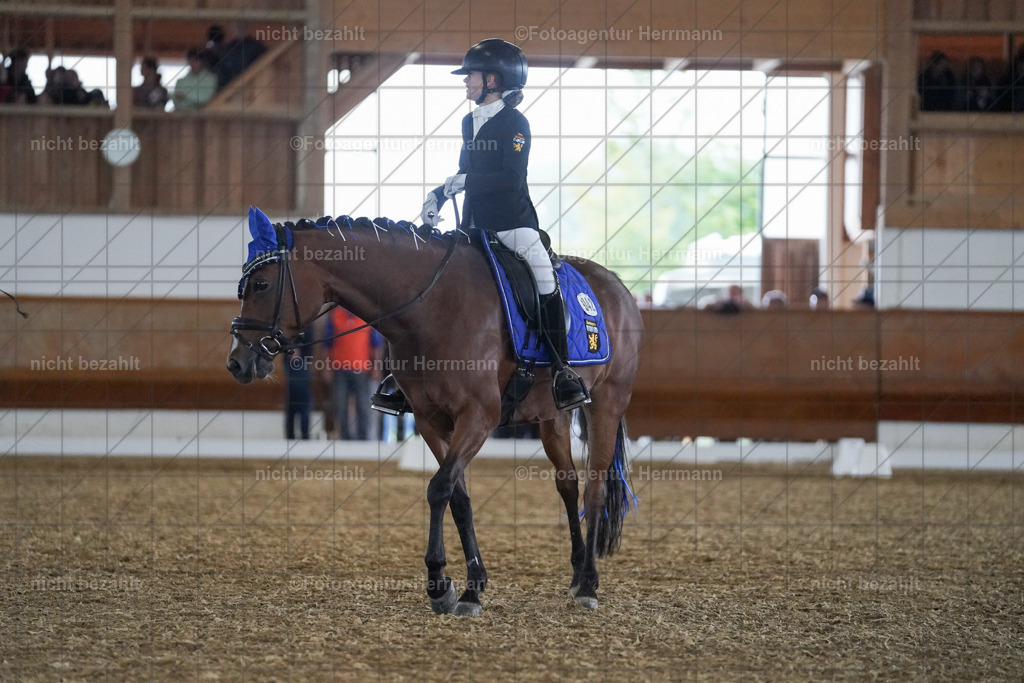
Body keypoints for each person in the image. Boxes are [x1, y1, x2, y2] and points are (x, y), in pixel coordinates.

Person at [372, 39, 590, 415]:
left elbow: (510, 177)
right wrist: (437, 196)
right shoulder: (469, 122)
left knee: (543, 277)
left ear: (493, 79)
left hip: (513, 225)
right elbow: (464, 172)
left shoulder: (516, 124)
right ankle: (404, 377)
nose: (465, 81)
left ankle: (562, 370)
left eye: (470, 75)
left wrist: (463, 181)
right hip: (472, 227)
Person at [323, 307, 378, 440]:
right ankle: (345, 438)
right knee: (340, 406)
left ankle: (363, 438)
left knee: (363, 406)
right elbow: (326, 345)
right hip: (339, 370)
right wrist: (326, 368)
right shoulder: (335, 315)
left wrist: (376, 367)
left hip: (362, 370)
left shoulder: (367, 316)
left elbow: (376, 345)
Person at [283, 325, 315, 440]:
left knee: (299, 402)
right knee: (298, 402)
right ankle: (297, 435)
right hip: (295, 364)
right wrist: (292, 350)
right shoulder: (293, 323)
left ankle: (299, 435)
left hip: (301, 363)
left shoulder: (306, 324)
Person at [214, 23, 266, 90]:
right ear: (232, 28)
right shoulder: (228, 49)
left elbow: (264, 68)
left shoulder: (257, 47)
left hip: (252, 87)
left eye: (242, 25)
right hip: (231, 89)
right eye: (236, 26)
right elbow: (222, 73)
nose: (239, 28)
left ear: (248, 27)